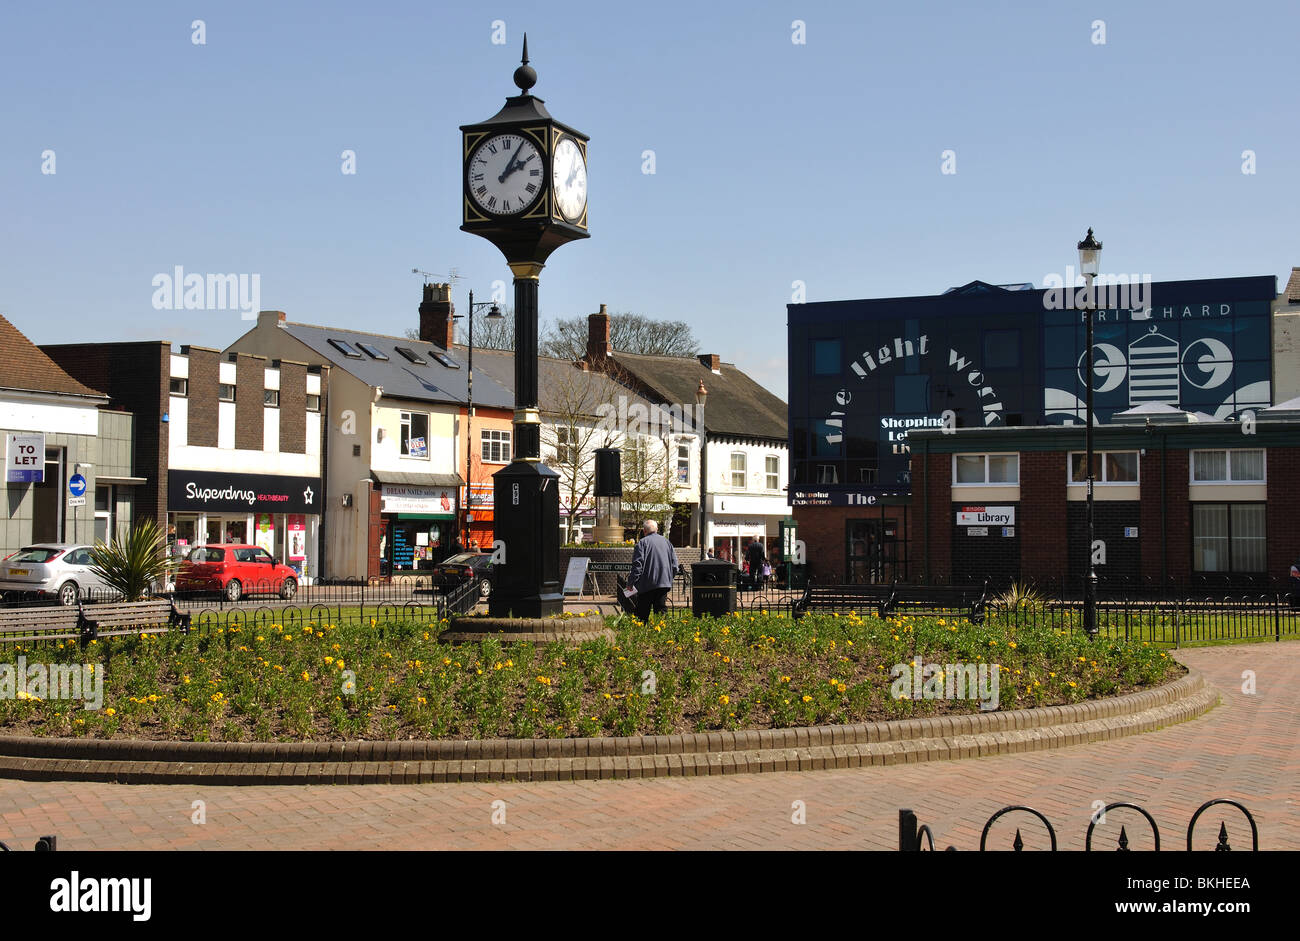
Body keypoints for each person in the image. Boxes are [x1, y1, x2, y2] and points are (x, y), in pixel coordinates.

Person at [626, 519, 680, 621]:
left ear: (644, 531)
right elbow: (675, 566)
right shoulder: (667, 543)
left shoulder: (642, 543)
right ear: (657, 529)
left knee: (642, 614)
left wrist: (631, 583)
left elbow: (637, 566)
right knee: (660, 614)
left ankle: (641, 635)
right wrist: (668, 579)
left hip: (646, 585)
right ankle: (660, 634)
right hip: (663, 584)